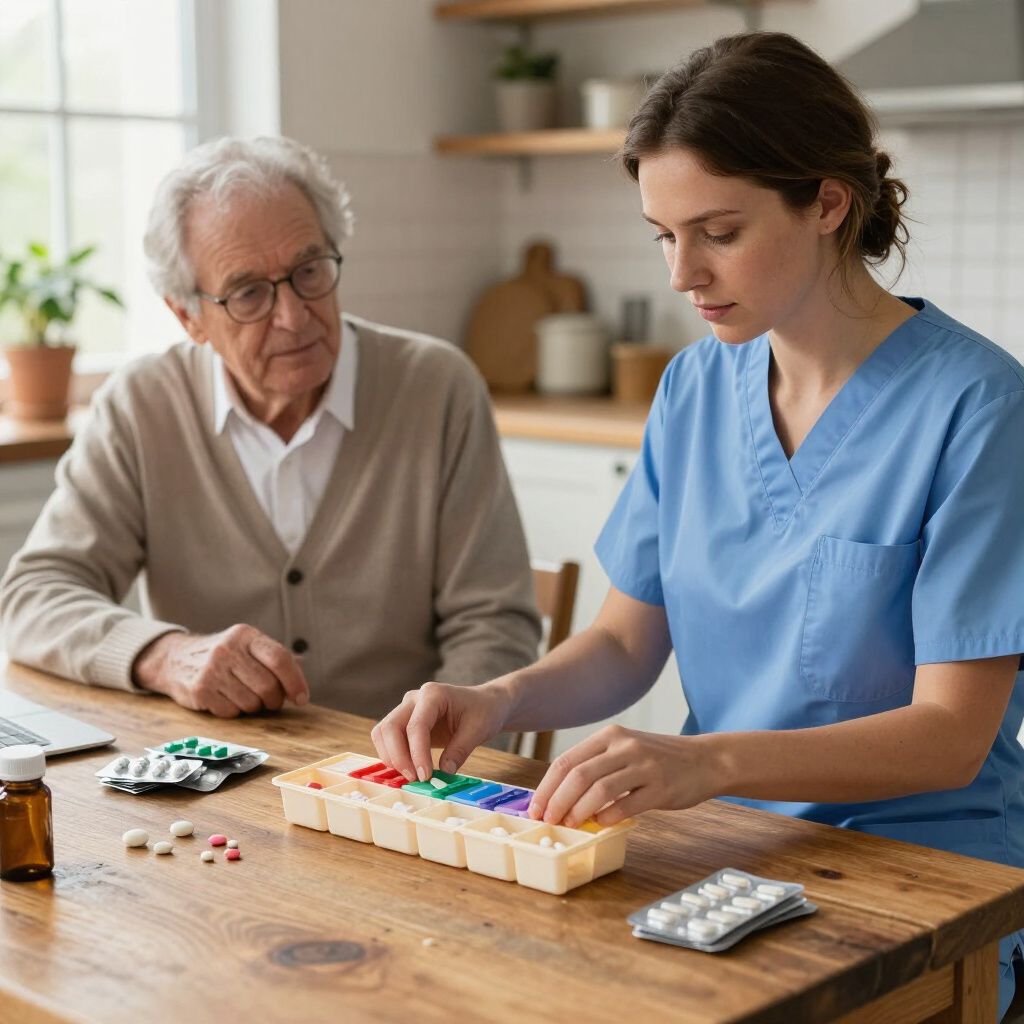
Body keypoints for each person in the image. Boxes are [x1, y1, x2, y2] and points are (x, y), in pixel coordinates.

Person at [370, 32, 1024, 1016]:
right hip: (722, 850)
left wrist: (705, 759)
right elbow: (625, 644)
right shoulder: (693, 387)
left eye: (717, 231)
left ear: (826, 204)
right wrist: (496, 698)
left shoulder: (978, 407)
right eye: (663, 235)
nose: (683, 274)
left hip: (927, 875)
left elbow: (947, 737)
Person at [0, 136, 540, 722]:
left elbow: (494, 629)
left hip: (403, 783)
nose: (293, 316)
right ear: (188, 316)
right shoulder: (140, 405)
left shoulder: (437, 389)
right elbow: (33, 598)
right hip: (211, 784)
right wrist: (165, 655)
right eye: (248, 293)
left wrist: (428, 768)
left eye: (309, 271)